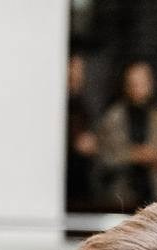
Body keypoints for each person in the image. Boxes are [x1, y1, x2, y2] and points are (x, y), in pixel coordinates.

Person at [96, 60, 157, 211]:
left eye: (142, 82)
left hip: (156, 190)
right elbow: (105, 155)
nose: (137, 88)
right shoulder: (114, 116)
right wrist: (136, 154)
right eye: (133, 83)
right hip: (120, 193)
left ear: (151, 83)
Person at [65, 53, 99, 212]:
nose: (78, 75)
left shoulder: (82, 105)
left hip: (81, 179)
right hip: (64, 179)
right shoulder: (60, 103)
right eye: (74, 69)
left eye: (81, 70)